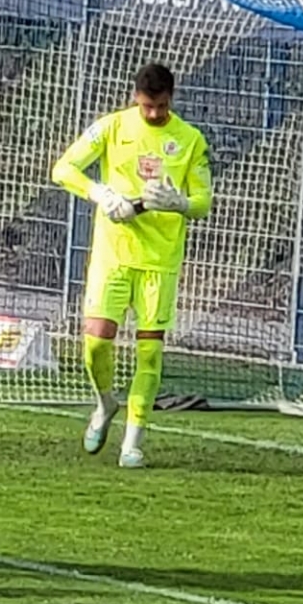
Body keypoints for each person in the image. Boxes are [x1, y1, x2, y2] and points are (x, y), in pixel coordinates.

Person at [51, 64, 213, 468]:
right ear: (135, 98)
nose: (154, 114)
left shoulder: (190, 139)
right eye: (147, 106)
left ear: (171, 99)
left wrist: (181, 203)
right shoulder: (111, 127)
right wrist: (101, 194)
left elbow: (203, 202)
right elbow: (63, 169)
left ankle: (132, 443)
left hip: (160, 261)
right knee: (95, 342)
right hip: (113, 255)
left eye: (161, 107)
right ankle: (106, 403)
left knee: (150, 352)